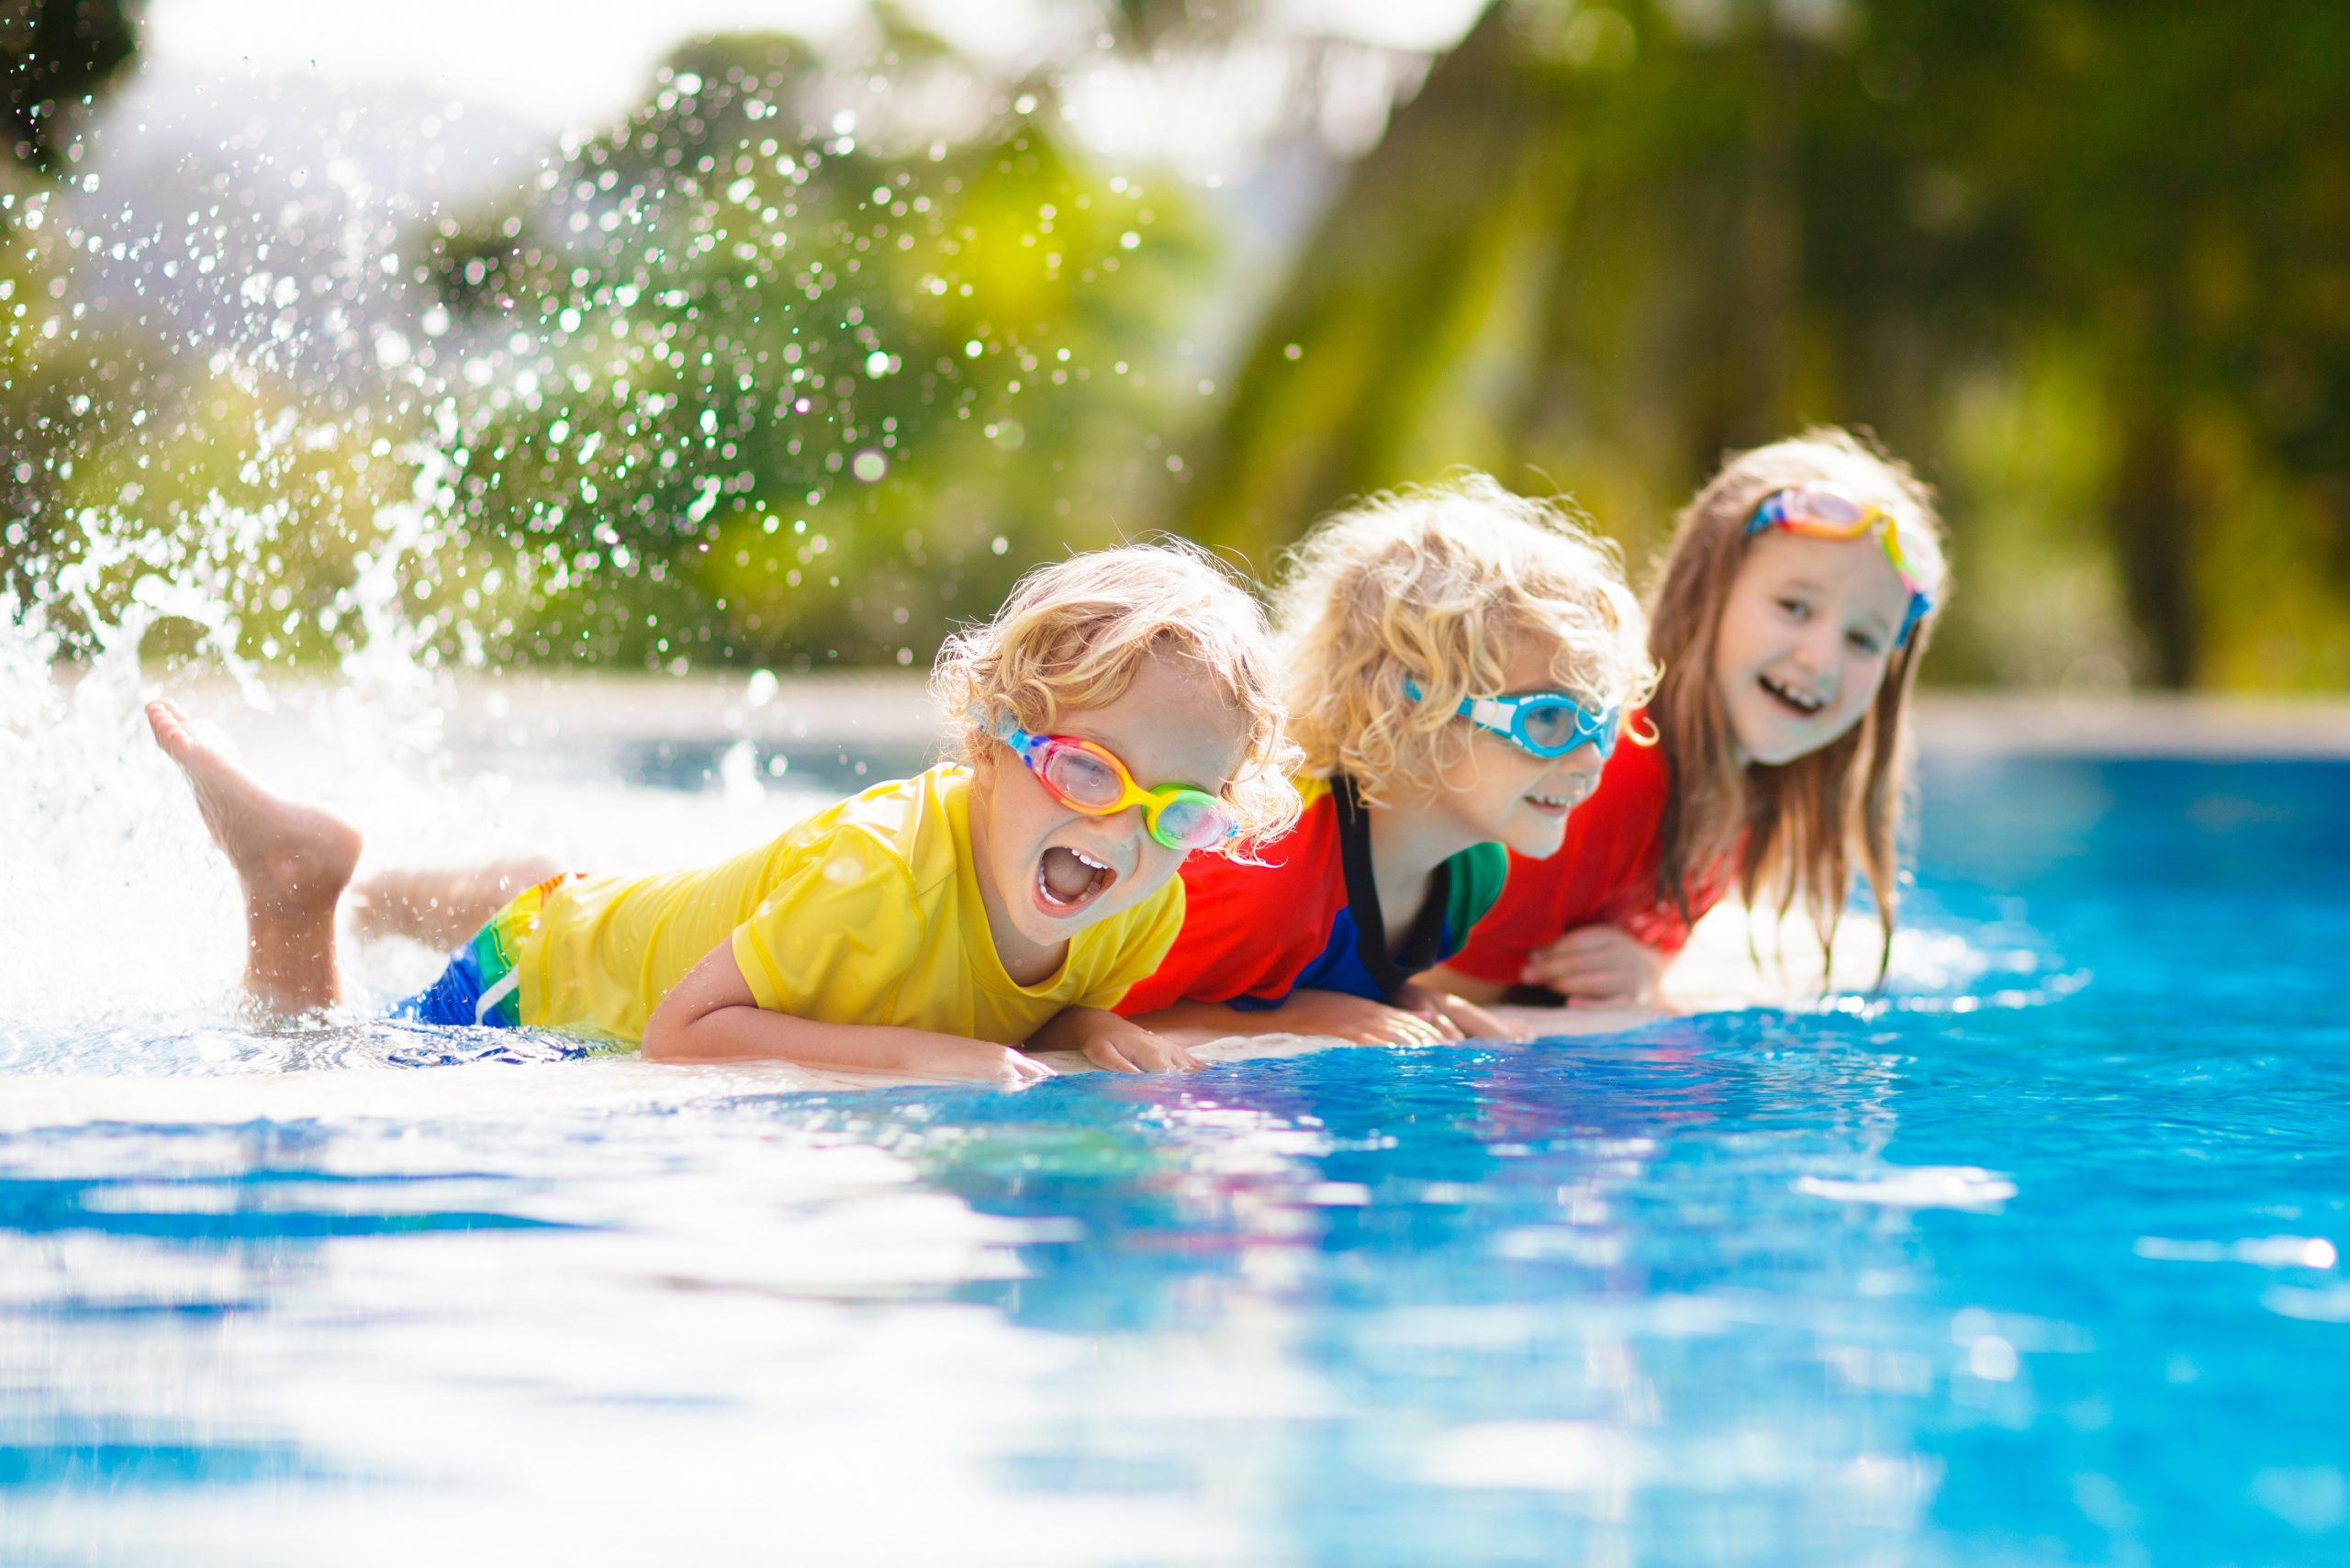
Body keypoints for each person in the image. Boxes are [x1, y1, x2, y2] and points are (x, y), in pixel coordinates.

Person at [145, 543, 1303, 1083]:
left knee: (566, 888)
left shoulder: (1139, 904)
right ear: (990, 746)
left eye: (1180, 810)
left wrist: (1086, 1032)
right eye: (1088, 772)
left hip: (618, 922)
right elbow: (678, 1039)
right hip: (554, 988)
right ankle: (298, 888)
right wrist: (934, 1059)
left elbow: (1029, 1007)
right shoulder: (876, 878)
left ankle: (498, 881)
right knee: (315, 1077)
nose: (1122, 832)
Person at [1114, 476, 1656, 1047]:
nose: (1594, 755)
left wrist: (1403, 995)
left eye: (1603, 718)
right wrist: (1291, 1018)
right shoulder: (1265, 865)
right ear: (1407, 705)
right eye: (1548, 718)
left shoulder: (1472, 873)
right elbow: (1075, 1013)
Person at [1423, 427, 1949, 1010]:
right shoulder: (1604, 776)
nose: (1822, 658)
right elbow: (1436, 1001)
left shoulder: (1740, 792)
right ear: (1704, 594)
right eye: (1793, 607)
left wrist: (1644, 966)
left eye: (1863, 640)